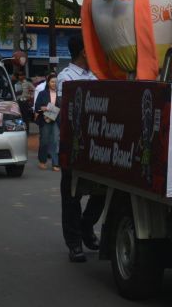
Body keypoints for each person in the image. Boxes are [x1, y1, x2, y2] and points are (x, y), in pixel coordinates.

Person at [57, 35, 103, 263]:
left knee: (101, 191)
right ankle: (74, 243)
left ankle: (87, 226)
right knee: (72, 196)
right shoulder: (66, 78)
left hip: (95, 146)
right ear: (84, 52)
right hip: (74, 146)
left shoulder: (94, 76)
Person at [35, 73, 60, 171]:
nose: (54, 84)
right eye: (52, 82)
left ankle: (55, 163)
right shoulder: (43, 93)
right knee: (44, 140)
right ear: (48, 83)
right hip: (45, 119)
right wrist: (44, 108)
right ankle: (42, 161)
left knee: (55, 140)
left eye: (56, 82)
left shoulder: (61, 93)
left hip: (56, 119)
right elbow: (37, 107)